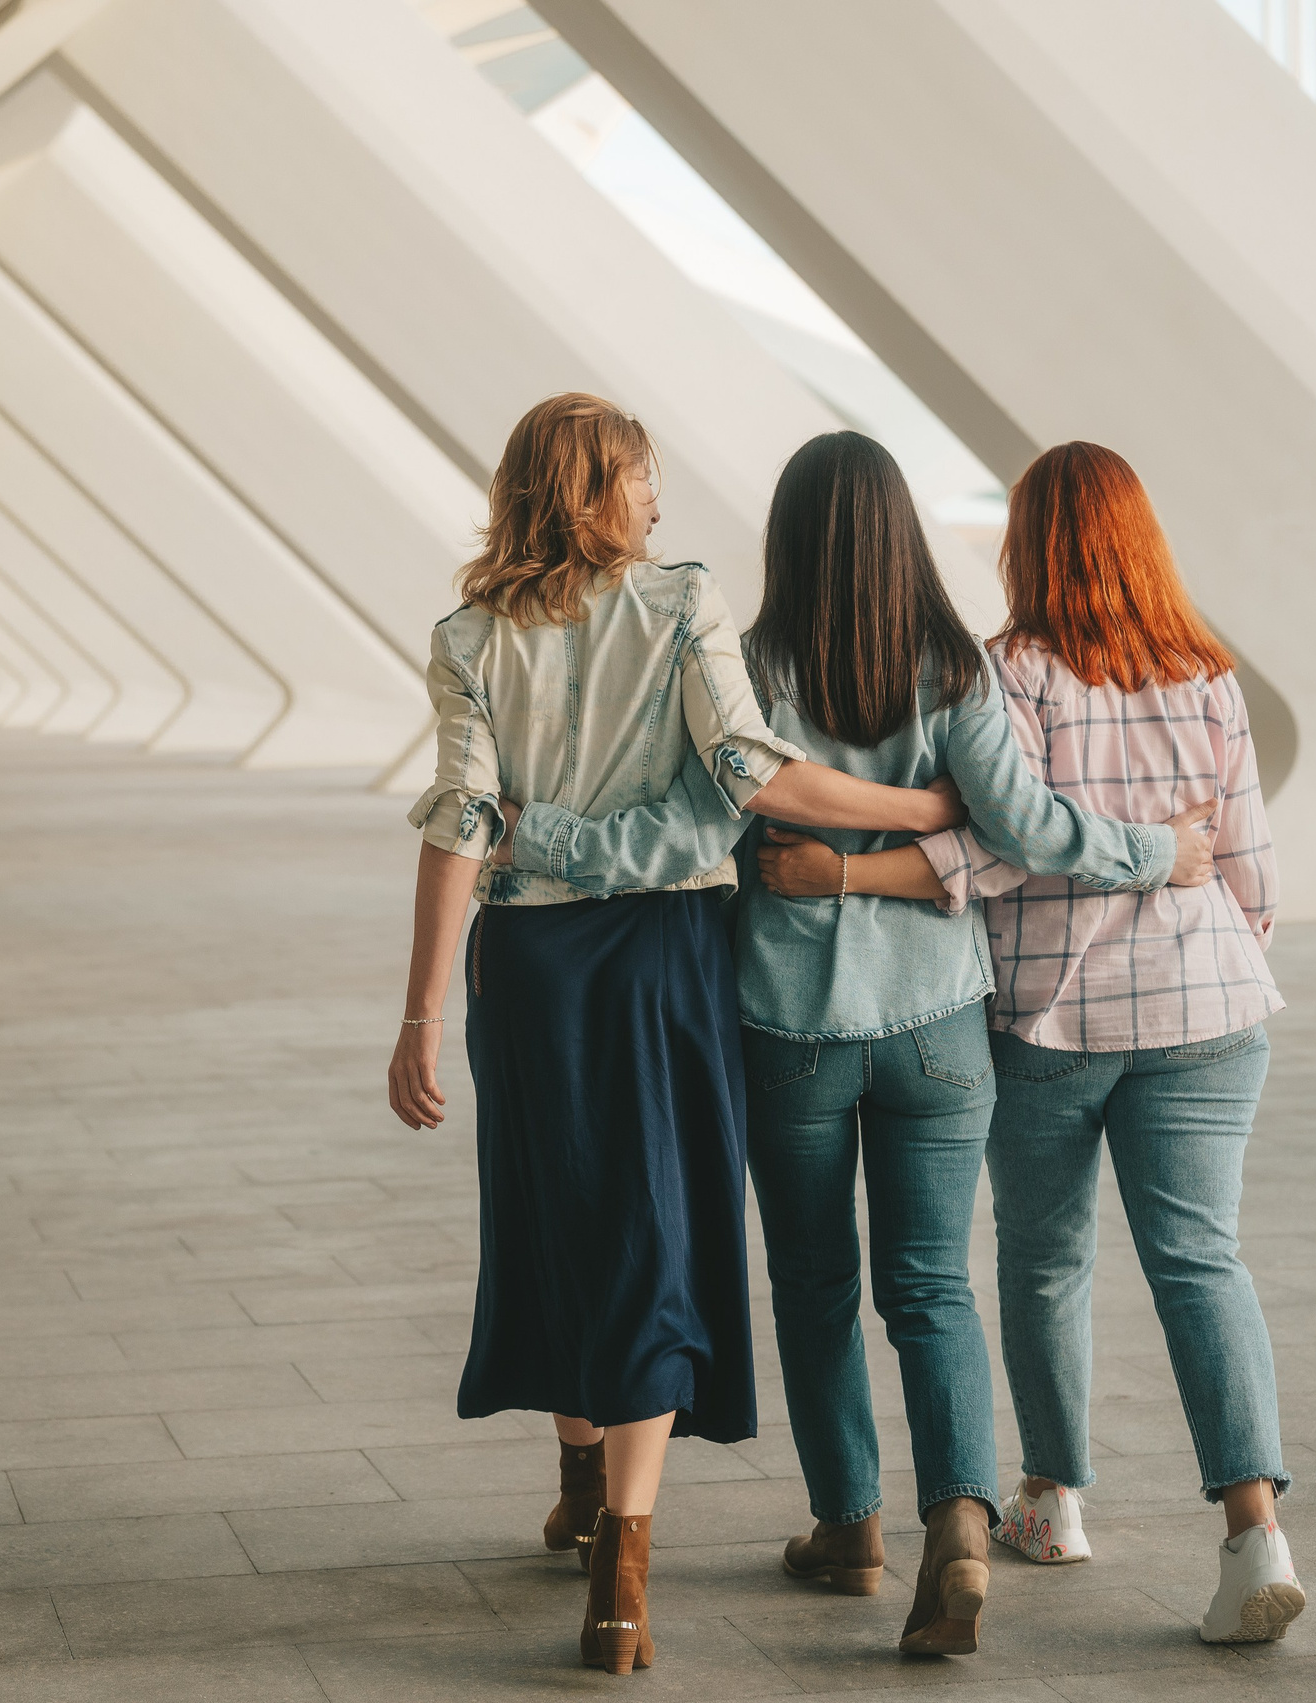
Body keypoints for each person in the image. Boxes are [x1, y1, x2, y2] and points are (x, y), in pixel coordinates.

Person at [489, 430, 1212, 1658]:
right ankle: (961, 1530)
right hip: (937, 1027)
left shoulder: (747, 659)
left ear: (790, 536)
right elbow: (1028, 826)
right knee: (931, 1286)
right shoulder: (954, 668)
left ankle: (847, 1524)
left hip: (786, 1028)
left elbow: (700, 825)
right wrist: (1158, 853)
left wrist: (536, 837)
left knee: (815, 1287)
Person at [388, 397, 974, 1675]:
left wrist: (420, 1013)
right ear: (597, 491)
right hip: (662, 959)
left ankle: (580, 1477)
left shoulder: (467, 637)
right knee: (652, 1222)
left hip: (529, 967)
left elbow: (459, 822)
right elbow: (753, 774)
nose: (659, 500)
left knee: (556, 1209)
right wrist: (924, 804)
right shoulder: (679, 604)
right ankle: (620, 1580)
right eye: (643, 478)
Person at [760, 441, 1298, 1643]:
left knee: (1045, 1260)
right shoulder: (1209, 671)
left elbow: (1004, 844)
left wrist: (847, 873)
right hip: (1210, 1007)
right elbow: (1249, 869)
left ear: (1029, 543)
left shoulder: (1015, 670)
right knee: (1201, 1260)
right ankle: (1254, 1526)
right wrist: (1202, 927)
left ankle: (1051, 1499)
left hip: (1053, 1017)